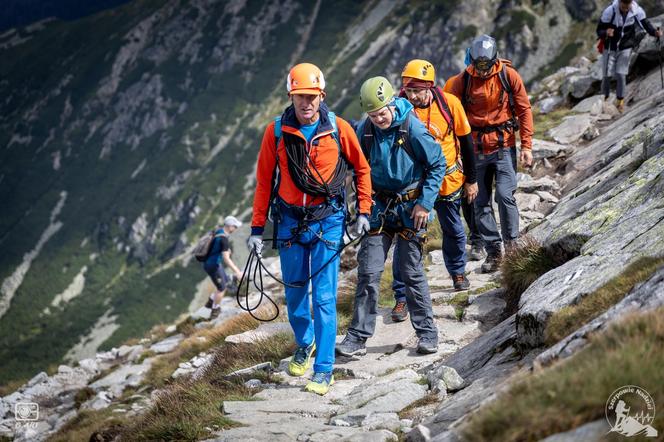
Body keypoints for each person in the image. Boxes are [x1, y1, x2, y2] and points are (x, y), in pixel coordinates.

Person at [248, 63, 372, 395]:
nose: (307, 104)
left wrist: (363, 209)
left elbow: (361, 169)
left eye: (313, 97)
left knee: (325, 297)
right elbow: (264, 183)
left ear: (322, 97)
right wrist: (257, 229)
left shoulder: (338, 128)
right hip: (288, 221)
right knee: (295, 292)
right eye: (301, 97)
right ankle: (306, 342)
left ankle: (324, 369)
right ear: (292, 97)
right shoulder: (276, 133)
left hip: (328, 220)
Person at [336, 76, 445, 356]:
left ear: (391, 104)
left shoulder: (412, 128)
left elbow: (437, 164)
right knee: (369, 272)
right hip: (379, 209)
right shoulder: (366, 130)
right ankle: (357, 337)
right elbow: (358, 168)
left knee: (411, 272)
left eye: (382, 113)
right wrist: (359, 207)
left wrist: (425, 203)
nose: (379, 119)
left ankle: (427, 333)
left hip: (411, 208)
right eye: (373, 115)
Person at [388, 59, 478, 322]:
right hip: (415, 185)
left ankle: (457, 271)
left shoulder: (450, 104)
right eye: (408, 89)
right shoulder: (399, 108)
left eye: (417, 90)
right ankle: (401, 297)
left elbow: (466, 142)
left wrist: (472, 180)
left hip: (448, 179)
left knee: (453, 228)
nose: (412, 95)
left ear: (429, 86)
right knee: (407, 238)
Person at [444, 34, 534, 273]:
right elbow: (444, 112)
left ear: (495, 60)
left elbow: (524, 109)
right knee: (479, 202)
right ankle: (494, 251)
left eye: (487, 66)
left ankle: (512, 246)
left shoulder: (508, 76)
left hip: (504, 146)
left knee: (505, 195)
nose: (483, 72)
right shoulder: (459, 82)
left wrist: (527, 145)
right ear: (471, 61)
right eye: (478, 67)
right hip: (473, 150)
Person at [597, 0, 663, 112]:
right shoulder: (610, 11)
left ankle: (620, 101)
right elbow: (599, 30)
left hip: (626, 46)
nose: (626, 8)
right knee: (606, 75)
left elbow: (646, 25)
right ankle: (605, 98)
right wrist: (606, 32)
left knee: (621, 74)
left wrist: (654, 33)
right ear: (619, 2)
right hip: (610, 47)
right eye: (623, 6)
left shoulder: (637, 10)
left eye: (628, 6)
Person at [203, 216, 244, 319]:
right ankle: (215, 311)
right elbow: (226, 258)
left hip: (209, 262)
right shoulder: (224, 239)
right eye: (235, 226)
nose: (235, 229)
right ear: (230, 226)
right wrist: (237, 271)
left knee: (224, 280)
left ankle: (211, 301)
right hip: (214, 265)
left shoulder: (219, 231)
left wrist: (225, 250)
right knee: (222, 288)